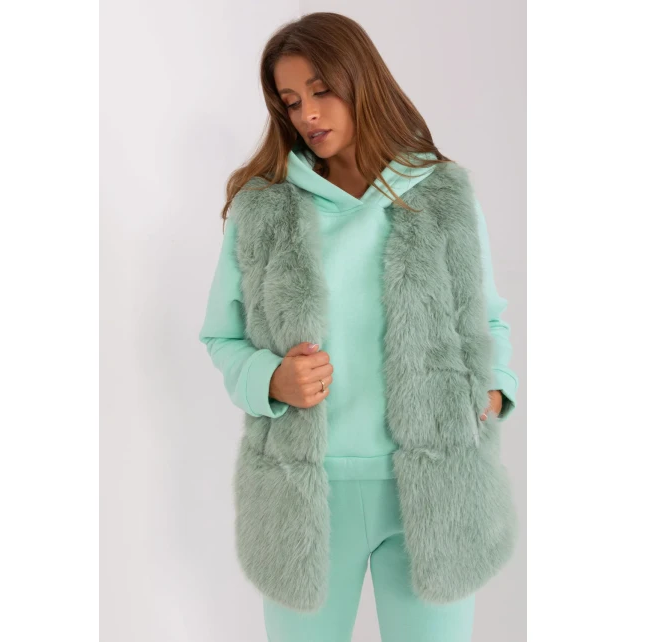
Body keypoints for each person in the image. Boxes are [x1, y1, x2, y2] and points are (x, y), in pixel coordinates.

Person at [199, 11, 518, 642]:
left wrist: (495, 388)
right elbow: (221, 335)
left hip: (438, 486)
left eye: (322, 91)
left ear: (361, 82)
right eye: (292, 101)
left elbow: (486, 315)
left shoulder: (442, 194)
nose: (308, 114)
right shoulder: (264, 207)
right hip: (304, 495)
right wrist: (269, 378)